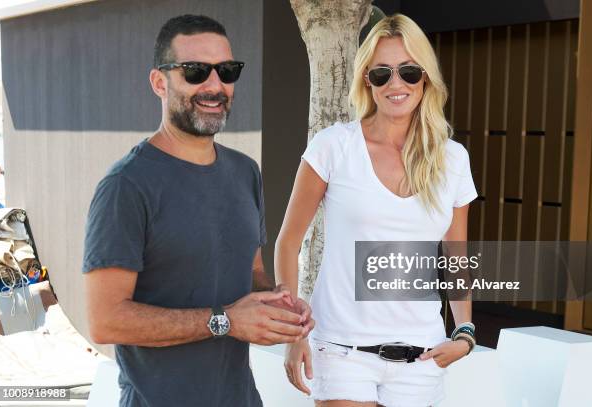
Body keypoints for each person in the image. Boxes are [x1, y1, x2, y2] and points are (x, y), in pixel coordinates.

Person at [82, 15, 313, 407]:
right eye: (194, 72)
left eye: (226, 71)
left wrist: (278, 304)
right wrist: (225, 321)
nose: (214, 85)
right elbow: (105, 320)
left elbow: (251, 271)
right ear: (159, 82)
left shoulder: (245, 172)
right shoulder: (126, 185)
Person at [275, 14, 478, 407]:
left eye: (409, 71)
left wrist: (465, 333)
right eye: (382, 73)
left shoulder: (453, 159)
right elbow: (288, 243)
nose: (396, 84)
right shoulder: (333, 147)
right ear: (366, 80)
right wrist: (294, 333)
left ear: (426, 78)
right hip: (341, 350)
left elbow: (456, 255)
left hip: (422, 355)